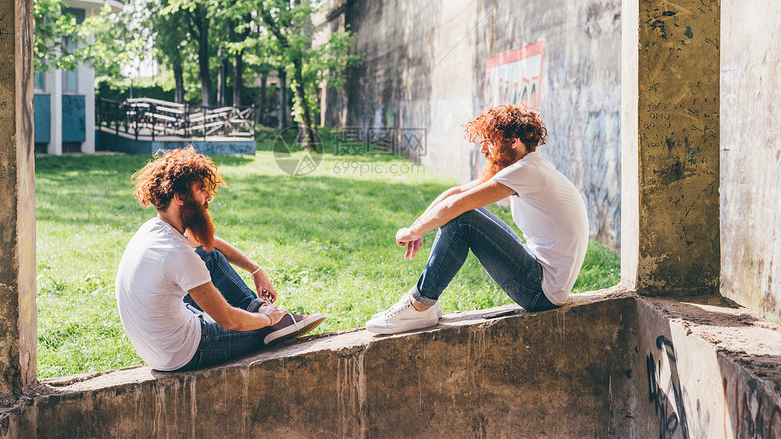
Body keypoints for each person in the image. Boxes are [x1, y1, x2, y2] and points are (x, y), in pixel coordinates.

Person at [366, 104, 589, 334]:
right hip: (540, 275)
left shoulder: (525, 171)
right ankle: (424, 303)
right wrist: (416, 228)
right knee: (464, 214)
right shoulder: (529, 166)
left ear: (514, 141)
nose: (483, 149)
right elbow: (456, 193)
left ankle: (420, 304)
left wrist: (414, 232)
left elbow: (455, 206)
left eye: (490, 141)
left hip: (541, 291)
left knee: (462, 220)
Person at [115, 146, 324, 372]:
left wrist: (255, 269)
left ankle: (258, 309)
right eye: (202, 190)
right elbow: (229, 320)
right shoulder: (178, 254)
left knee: (209, 255)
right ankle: (275, 324)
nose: (209, 197)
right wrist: (269, 320)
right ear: (181, 197)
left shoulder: (154, 230)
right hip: (182, 352)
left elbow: (207, 243)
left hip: (155, 345)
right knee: (263, 330)